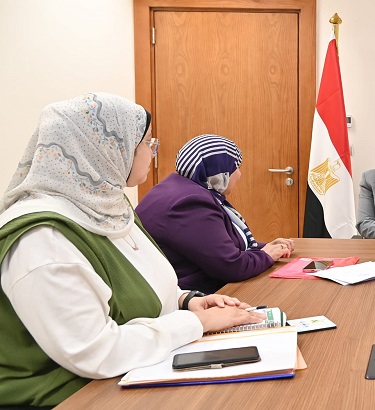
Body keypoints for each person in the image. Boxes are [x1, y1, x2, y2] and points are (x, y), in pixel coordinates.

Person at [0, 93, 266, 407]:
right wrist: (199, 323)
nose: (153, 152)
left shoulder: (107, 206)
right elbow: (95, 352)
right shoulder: (44, 240)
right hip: (70, 395)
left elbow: (136, 282)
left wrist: (188, 301)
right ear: (105, 149)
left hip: (132, 372)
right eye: (147, 143)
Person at [136, 134, 295, 294]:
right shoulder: (191, 202)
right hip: (191, 295)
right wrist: (266, 255)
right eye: (236, 167)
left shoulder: (179, 187)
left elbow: (216, 245)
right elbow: (231, 266)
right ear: (221, 173)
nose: (239, 174)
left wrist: (264, 247)